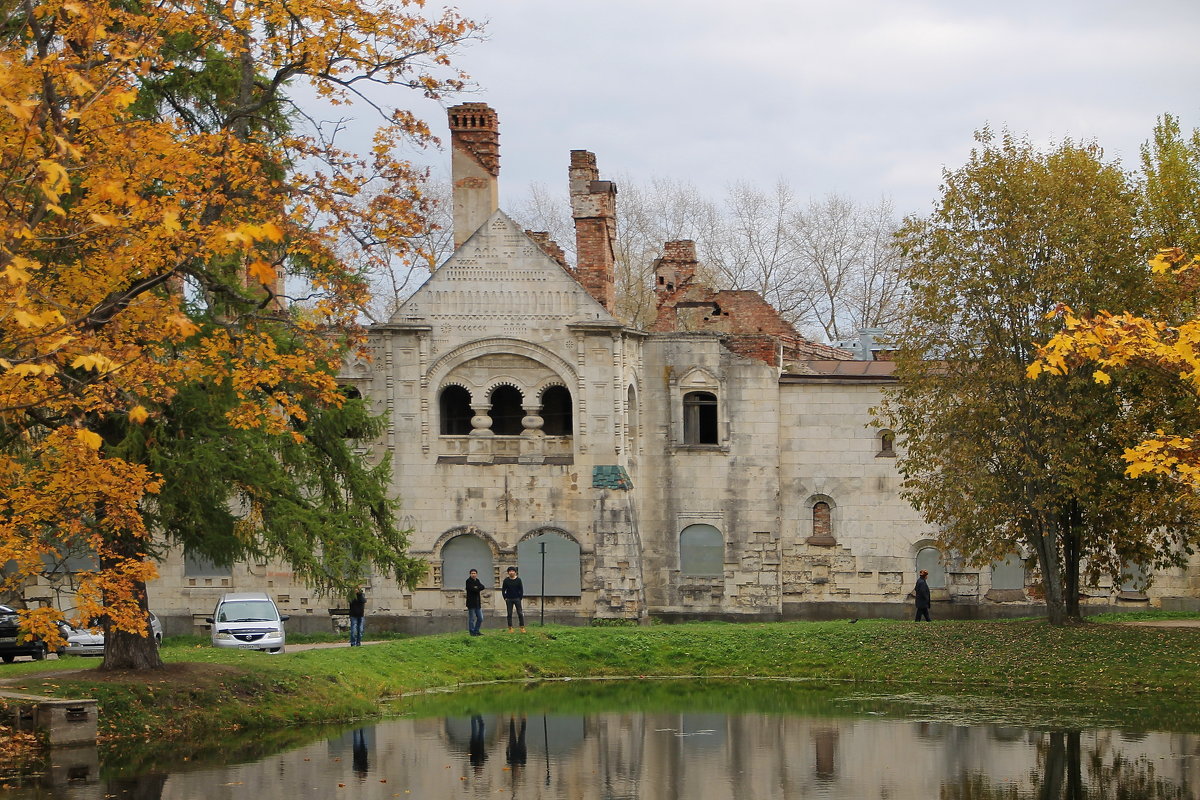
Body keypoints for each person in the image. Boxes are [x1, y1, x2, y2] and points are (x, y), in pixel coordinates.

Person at [501, 566, 525, 633]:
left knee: (520, 613)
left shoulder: (518, 580)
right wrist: (505, 597)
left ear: (515, 572)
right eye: (510, 571)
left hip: (517, 598)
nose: (511, 572)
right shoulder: (506, 580)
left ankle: (522, 627)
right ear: (508, 572)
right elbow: (503, 590)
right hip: (509, 599)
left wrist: (520, 597)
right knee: (509, 613)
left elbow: (521, 589)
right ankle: (510, 627)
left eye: (513, 571)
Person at [465, 568, 486, 635]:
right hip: (471, 603)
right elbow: (472, 589)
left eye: (474, 573)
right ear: (470, 574)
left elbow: (482, 587)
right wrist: (477, 588)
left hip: (477, 603)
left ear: (476, 574)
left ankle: (476, 630)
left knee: (480, 618)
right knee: (472, 619)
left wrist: (477, 587)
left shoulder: (477, 580)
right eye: (472, 573)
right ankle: (472, 631)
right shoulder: (468, 581)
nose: (473, 574)